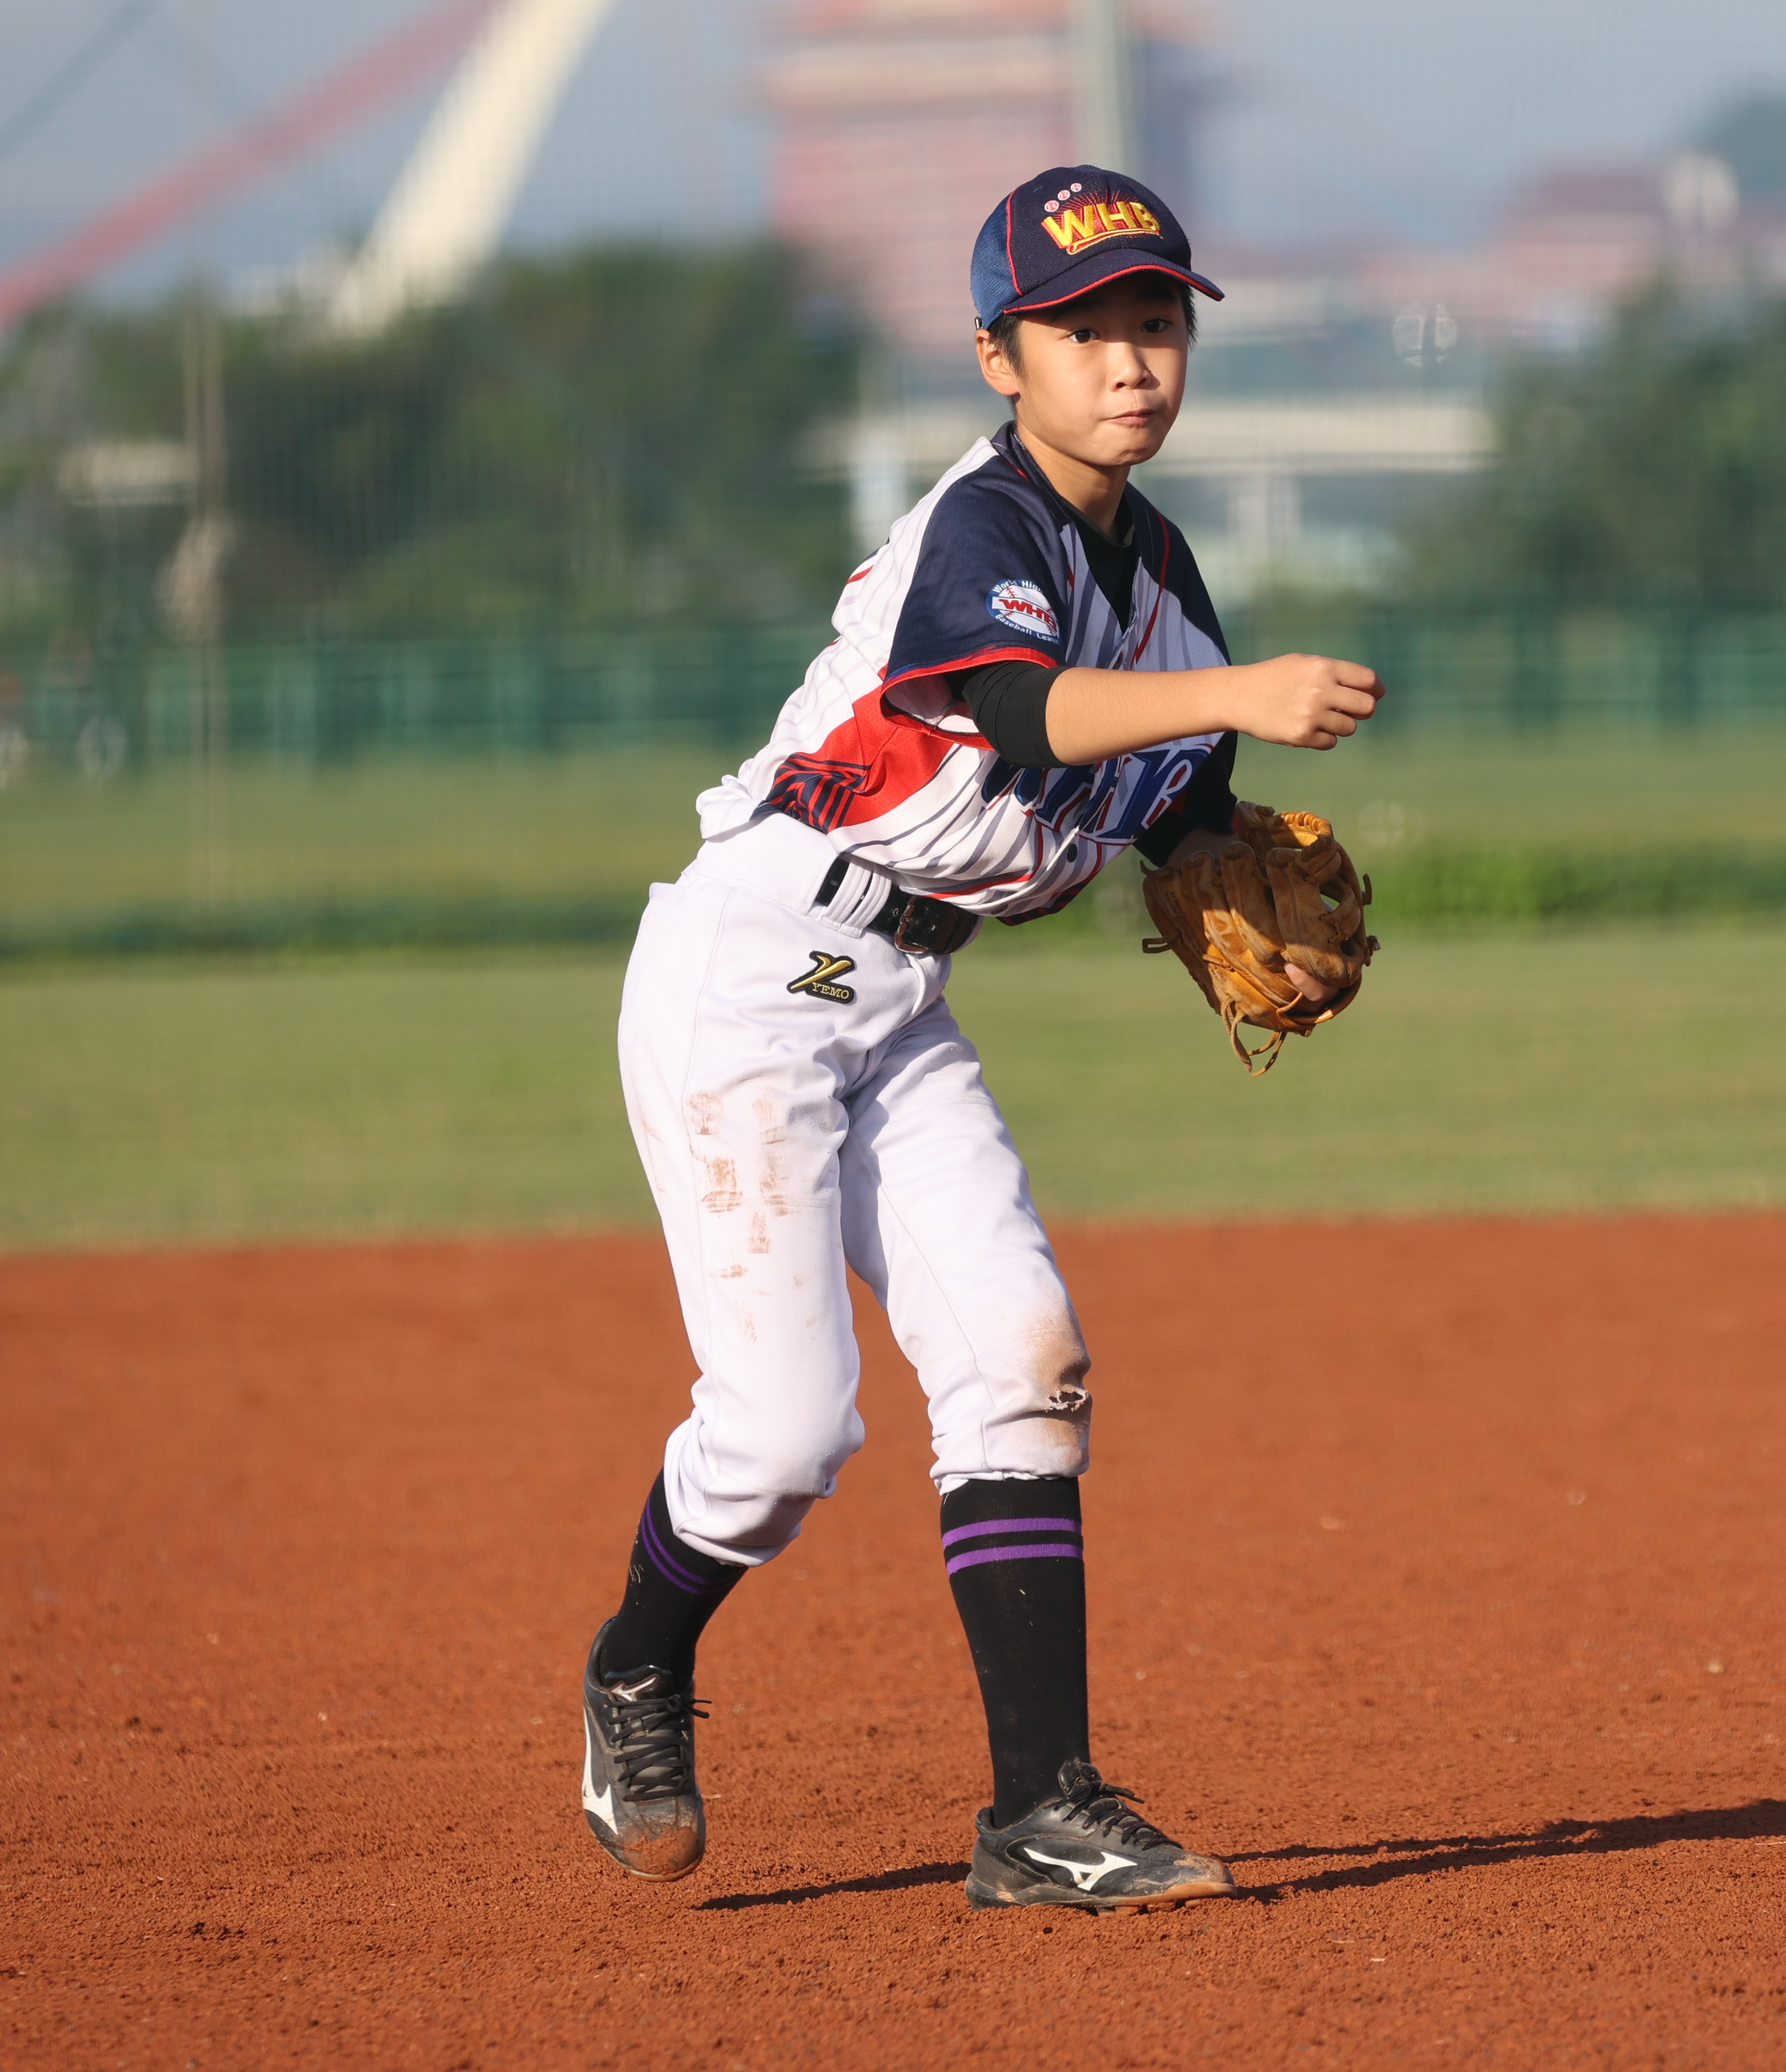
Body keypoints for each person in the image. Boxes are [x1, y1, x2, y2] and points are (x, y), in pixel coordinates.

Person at [578, 166, 1382, 1911]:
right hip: (753, 968)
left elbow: (1177, 806)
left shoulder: (1158, 576)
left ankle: (1040, 1813)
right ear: (999, 360)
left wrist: (1226, 859)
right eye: (1082, 332)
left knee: (1025, 1357)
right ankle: (637, 1662)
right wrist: (1239, 697)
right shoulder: (991, 523)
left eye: (1155, 322)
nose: (1130, 361)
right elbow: (1018, 710)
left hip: (902, 993)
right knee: (785, 1437)